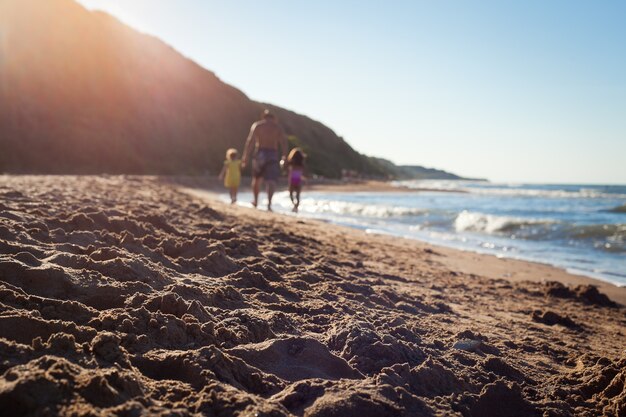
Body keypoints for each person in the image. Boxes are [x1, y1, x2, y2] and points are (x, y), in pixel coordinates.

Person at [241, 110, 288, 210]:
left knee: (257, 179)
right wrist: (285, 156)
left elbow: (250, 141)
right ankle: (269, 203)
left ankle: (256, 201)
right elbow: (283, 142)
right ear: (273, 117)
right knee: (271, 180)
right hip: (273, 154)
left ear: (264, 117)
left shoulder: (258, 125)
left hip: (260, 153)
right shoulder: (277, 127)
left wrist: (245, 156)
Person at [287, 147, 305, 212]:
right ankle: (296, 207)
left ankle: (294, 205)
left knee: (291, 194)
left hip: (292, 179)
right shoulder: (301, 164)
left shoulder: (291, 162)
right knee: (297, 195)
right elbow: (302, 172)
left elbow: (289, 171)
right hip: (298, 179)